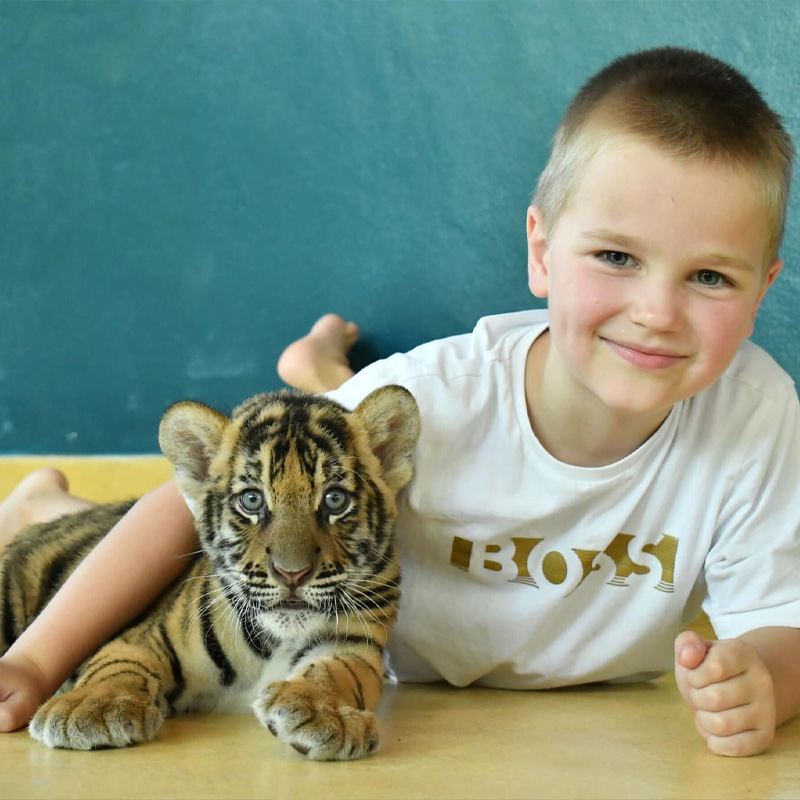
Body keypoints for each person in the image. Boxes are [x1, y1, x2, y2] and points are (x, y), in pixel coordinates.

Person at [1, 46, 799, 758]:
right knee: (342, 448)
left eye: (709, 277)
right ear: (541, 252)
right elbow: (180, 510)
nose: (657, 312)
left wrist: (763, 676)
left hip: (429, 468)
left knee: (366, 435)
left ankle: (319, 369)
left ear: (762, 288)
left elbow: (783, 623)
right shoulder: (443, 392)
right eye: (618, 256)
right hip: (387, 634)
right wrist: (36, 660)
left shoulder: (756, 415)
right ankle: (45, 503)